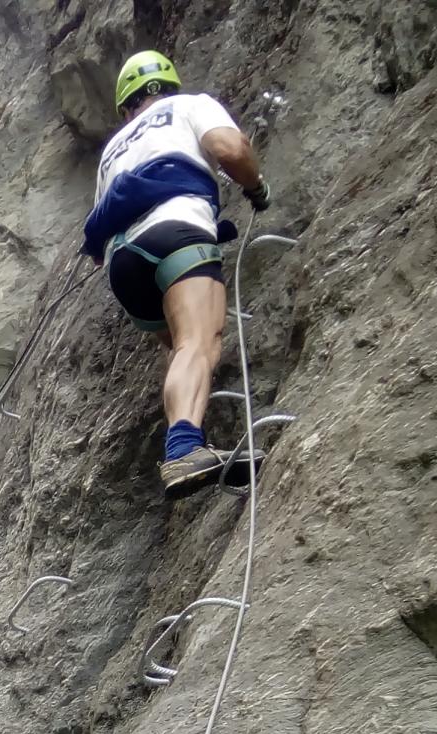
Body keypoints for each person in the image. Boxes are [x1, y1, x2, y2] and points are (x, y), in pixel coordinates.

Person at [83, 51, 272, 498]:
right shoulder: (189, 104)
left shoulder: (112, 150)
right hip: (177, 232)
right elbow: (231, 149)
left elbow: (100, 232)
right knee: (198, 342)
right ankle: (185, 447)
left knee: (180, 346)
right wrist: (256, 188)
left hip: (123, 266)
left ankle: (190, 438)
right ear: (166, 86)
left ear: (126, 104)